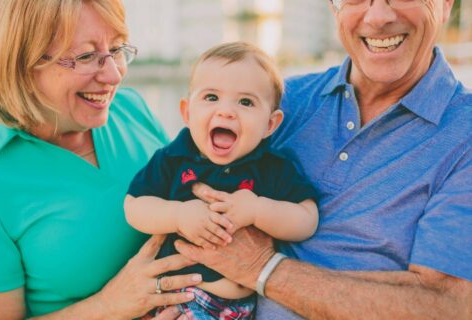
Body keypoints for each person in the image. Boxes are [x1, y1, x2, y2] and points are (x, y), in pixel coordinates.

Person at [174, 0, 472, 319]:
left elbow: (446, 306)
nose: (378, 16)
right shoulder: (278, 104)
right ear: (334, 8)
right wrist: (123, 298)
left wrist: (261, 268)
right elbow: (174, 188)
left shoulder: (464, 134)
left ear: (444, 5)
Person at [0, 1, 203, 319]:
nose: (113, 74)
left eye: (117, 49)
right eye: (85, 56)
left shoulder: (131, 109)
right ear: (24, 62)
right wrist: (110, 306)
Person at [125, 42, 319, 319]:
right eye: (211, 98)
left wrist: (257, 209)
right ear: (187, 113)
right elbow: (134, 206)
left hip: (238, 308)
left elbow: (306, 219)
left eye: (246, 102)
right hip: (179, 299)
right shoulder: (174, 157)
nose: (226, 111)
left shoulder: (273, 167)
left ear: (270, 124)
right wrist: (178, 214)